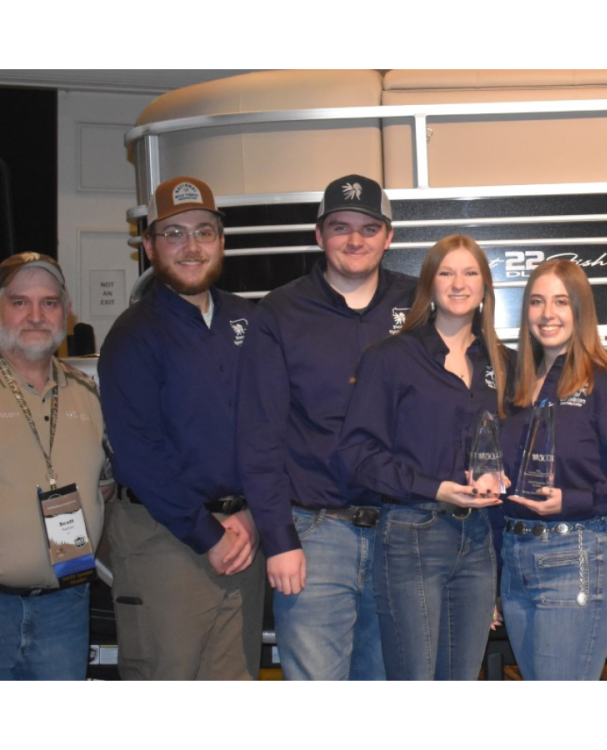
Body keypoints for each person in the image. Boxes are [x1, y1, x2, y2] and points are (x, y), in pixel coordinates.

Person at [237, 174, 415, 680]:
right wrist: (279, 538)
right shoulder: (280, 311)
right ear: (319, 235)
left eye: (368, 227)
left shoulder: (421, 306)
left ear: (388, 236)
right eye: (340, 227)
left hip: (402, 533)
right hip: (314, 535)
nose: (355, 240)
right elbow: (259, 435)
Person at [99, 176, 264, 680]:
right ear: (149, 247)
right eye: (173, 234)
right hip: (166, 539)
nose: (191, 246)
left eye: (204, 231)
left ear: (221, 241)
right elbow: (139, 455)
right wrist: (207, 534)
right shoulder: (133, 334)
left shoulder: (249, 319)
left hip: (243, 536)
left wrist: (257, 513)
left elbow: (269, 427)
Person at [338, 234, 508, 680]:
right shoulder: (391, 358)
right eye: (446, 273)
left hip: (479, 542)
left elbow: (509, 448)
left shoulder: (503, 361)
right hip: (413, 534)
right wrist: (434, 486)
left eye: (470, 272)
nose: (458, 283)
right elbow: (357, 453)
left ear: (486, 287)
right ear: (429, 285)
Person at [500, 259, 607, 680]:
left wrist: (574, 501)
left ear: (581, 310)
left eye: (560, 302)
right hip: (515, 558)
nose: (547, 314)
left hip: (578, 555)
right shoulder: (515, 386)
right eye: (537, 302)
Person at [0, 253, 109, 680]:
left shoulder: (90, 394)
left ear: (66, 313)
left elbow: (106, 485)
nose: (35, 316)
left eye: (48, 303)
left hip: (65, 608)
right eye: (19, 302)